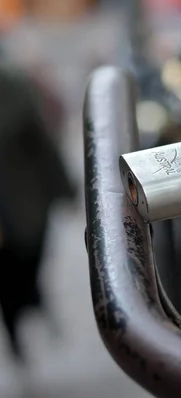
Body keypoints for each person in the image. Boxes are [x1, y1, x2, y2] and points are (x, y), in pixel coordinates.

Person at [0, 54, 75, 364]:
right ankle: (14, 329)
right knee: (5, 275)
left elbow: (42, 145)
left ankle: (31, 298)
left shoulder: (15, 87)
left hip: (28, 202)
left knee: (30, 260)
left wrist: (65, 189)